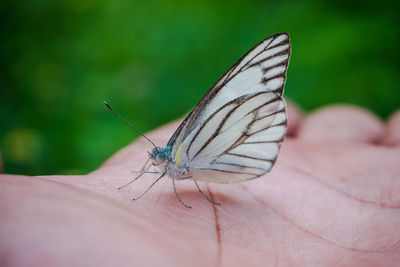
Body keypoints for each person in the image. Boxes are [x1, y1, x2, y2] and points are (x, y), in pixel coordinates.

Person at [1, 102, 399, 266]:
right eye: (156, 158)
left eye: (156, 157)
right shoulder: (166, 161)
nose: (153, 159)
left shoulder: (179, 157)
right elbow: (151, 170)